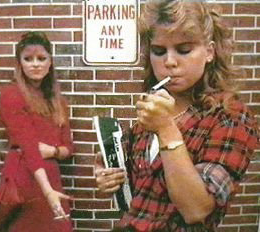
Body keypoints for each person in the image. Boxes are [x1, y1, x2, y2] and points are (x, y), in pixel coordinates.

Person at [95, 0, 259, 231]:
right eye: (159, 51)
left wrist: (166, 129)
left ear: (209, 52)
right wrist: (105, 173)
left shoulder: (230, 118)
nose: (169, 62)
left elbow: (196, 209)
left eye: (184, 50)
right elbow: (125, 161)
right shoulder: (155, 108)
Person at [0, 32, 74, 231]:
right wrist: (48, 192)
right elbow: (29, 147)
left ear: (50, 62)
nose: (35, 64)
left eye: (41, 58)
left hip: (51, 176)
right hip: (23, 177)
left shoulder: (57, 101)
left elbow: (69, 148)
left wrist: (53, 152)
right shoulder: (10, 95)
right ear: (19, 64)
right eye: (28, 59)